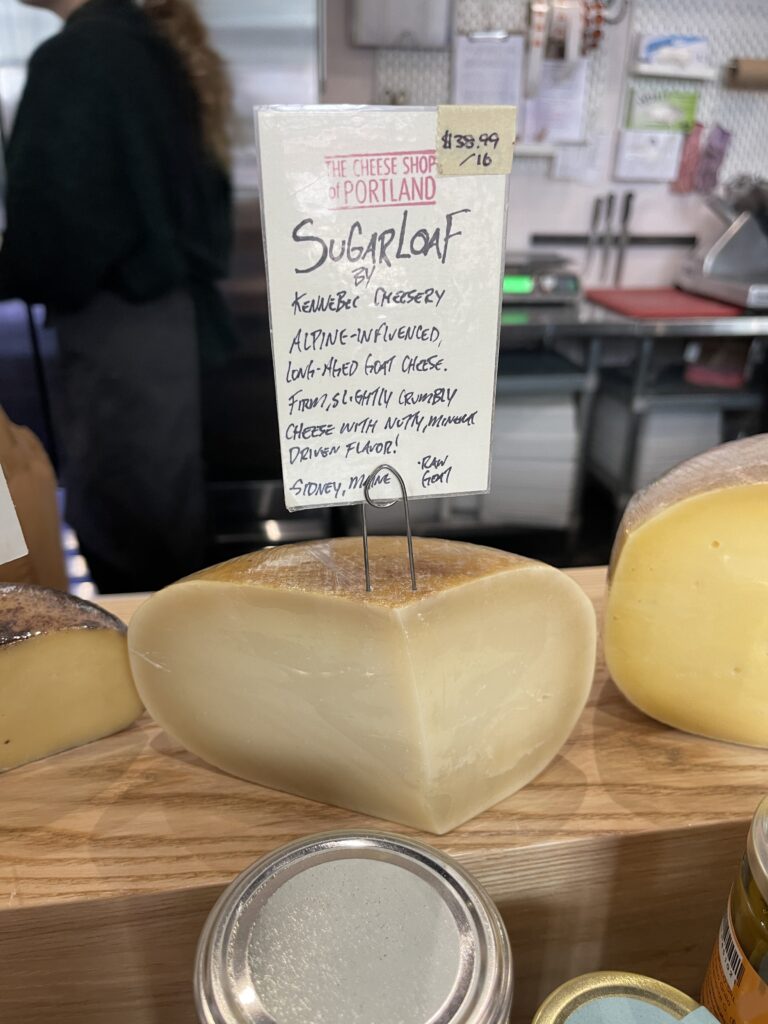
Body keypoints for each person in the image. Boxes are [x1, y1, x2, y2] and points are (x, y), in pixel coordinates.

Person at [0, 0, 237, 592]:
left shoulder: (79, 57)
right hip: (169, 330)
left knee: (133, 544)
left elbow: (56, 236)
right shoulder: (154, 50)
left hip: (121, 338)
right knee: (164, 537)